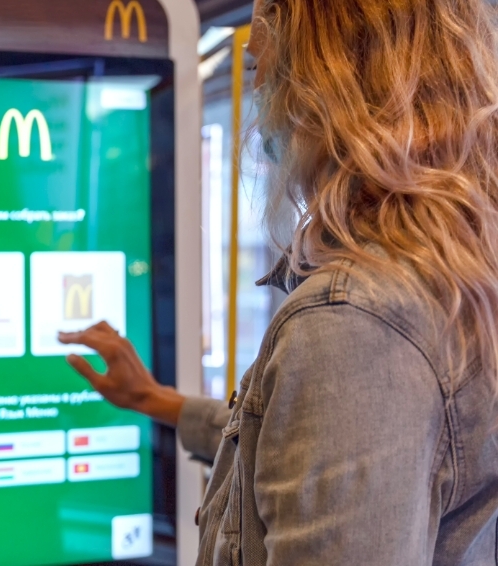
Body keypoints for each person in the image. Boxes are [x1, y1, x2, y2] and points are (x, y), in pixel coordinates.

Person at [61, 1, 498, 564]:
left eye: (259, 68)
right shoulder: (448, 271)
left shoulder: (353, 321)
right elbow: (317, 444)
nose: (258, 95)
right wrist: (155, 400)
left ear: (324, 86)